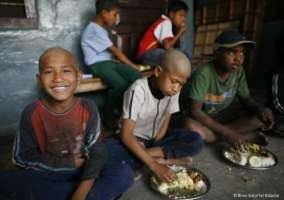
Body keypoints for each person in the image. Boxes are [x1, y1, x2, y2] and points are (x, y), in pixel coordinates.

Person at [0, 47, 133, 200]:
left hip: (84, 168)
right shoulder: (31, 113)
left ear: (78, 76)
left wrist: (82, 190)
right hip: (49, 171)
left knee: (123, 172)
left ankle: (73, 192)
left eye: (66, 71)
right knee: (0, 184)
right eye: (49, 72)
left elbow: (96, 150)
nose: (58, 78)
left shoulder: (88, 107)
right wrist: (67, 163)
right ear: (39, 80)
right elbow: (22, 157)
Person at [105, 49, 203, 183]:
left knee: (196, 140)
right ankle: (160, 160)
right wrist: (155, 165)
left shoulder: (173, 90)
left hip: (154, 142)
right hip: (132, 140)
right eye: (174, 81)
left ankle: (143, 157)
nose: (176, 88)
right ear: (158, 72)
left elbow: (166, 117)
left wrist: (158, 141)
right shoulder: (138, 90)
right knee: (105, 153)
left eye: (181, 84)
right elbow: (126, 135)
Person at [185, 30, 274, 144]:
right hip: (203, 118)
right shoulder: (204, 74)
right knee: (191, 127)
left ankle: (217, 136)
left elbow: (246, 100)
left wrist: (260, 109)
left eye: (242, 52)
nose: (238, 58)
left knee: (259, 119)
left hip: (222, 114)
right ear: (216, 54)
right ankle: (242, 136)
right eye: (232, 53)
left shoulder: (239, 72)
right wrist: (227, 132)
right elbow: (195, 111)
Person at [81, 0, 141, 127]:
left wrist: (133, 69)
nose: (116, 18)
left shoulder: (100, 29)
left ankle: (132, 112)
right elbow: (115, 51)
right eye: (114, 14)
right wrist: (133, 64)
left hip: (110, 63)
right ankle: (108, 114)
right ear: (104, 13)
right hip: (97, 65)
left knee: (136, 76)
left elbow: (113, 54)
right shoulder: (93, 30)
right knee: (121, 84)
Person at [137, 0, 188, 67]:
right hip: (146, 55)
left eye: (184, 16)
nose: (183, 19)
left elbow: (169, 47)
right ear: (172, 14)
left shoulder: (166, 22)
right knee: (177, 57)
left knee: (181, 55)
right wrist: (180, 32)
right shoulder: (166, 22)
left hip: (150, 55)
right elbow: (167, 46)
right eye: (181, 15)